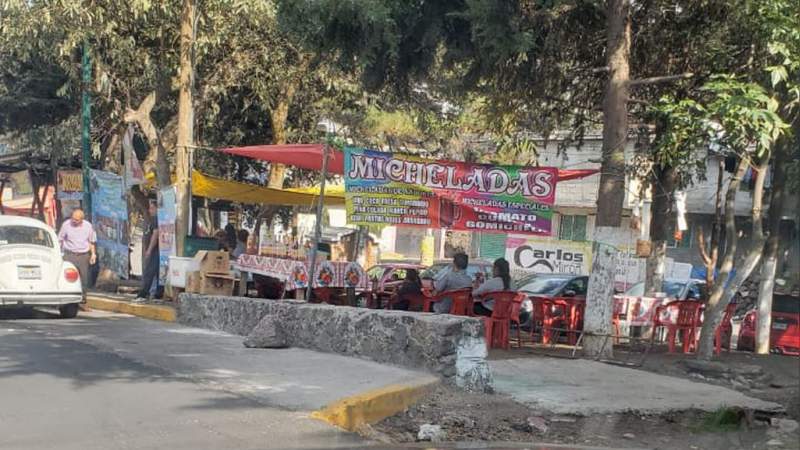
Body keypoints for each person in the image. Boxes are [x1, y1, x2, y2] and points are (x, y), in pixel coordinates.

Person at [58, 208, 97, 291]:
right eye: (72, 218)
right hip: (69, 255)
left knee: (84, 277)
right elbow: (60, 239)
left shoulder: (88, 226)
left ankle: (83, 294)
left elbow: (91, 241)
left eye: (76, 220)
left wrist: (93, 254)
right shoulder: (66, 224)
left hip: (83, 256)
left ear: (81, 220)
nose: (73, 221)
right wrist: (59, 253)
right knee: (68, 276)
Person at [134, 201, 159, 303]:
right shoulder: (152, 220)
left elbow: (155, 234)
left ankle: (143, 294)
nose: (150, 210)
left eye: (152, 208)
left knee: (150, 271)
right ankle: (154, 293)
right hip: (153, 250)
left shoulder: (157, 219)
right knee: (153, 271)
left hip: (156, 250)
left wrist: (149, 249)